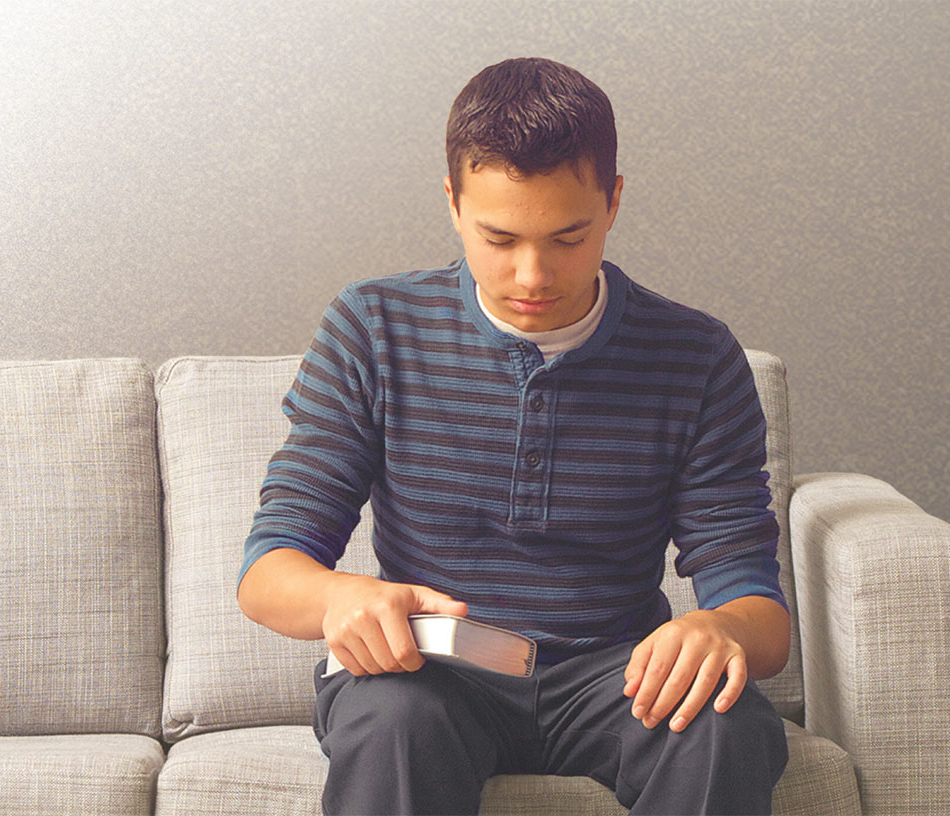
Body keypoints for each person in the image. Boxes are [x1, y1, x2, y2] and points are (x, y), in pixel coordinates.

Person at [237, 56, 790, 816]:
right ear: (453, 204)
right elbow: (268, 571)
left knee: (727, 727)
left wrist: (720, 628)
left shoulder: (695, 358)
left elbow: (756, 605)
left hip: (614, 676)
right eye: (499, 238)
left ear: (614, 202)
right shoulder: (372, 327)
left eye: (569, 237)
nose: (533, 275)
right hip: (434, 671)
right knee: (393, 720)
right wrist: (342, 598)